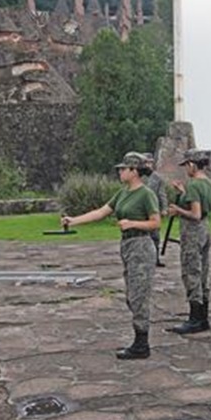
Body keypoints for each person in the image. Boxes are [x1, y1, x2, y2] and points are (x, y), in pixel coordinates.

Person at [61, 152, 160, 360]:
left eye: (124, 169)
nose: (120, 172)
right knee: (131, 295)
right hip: (127, 246)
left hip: (141, 245)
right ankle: (139, 339)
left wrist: (132, 223)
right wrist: (74, 220)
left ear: (134, 171)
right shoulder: (123, 193)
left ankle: (142, 343)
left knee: (139, 295)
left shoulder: (146, 194)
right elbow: (101, 212)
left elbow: (155, 223)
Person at [167, 149, 211, 335]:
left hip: (193, 232)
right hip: (205, 229)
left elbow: (195, 213)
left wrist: (178, 210)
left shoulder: (195, 185)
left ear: (193, 165)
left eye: (187, 165)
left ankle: (195, 318)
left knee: (191, 272)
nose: (186, 169)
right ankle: (203, 316)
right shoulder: (208, 183)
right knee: (203, 272)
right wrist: (183, 192)